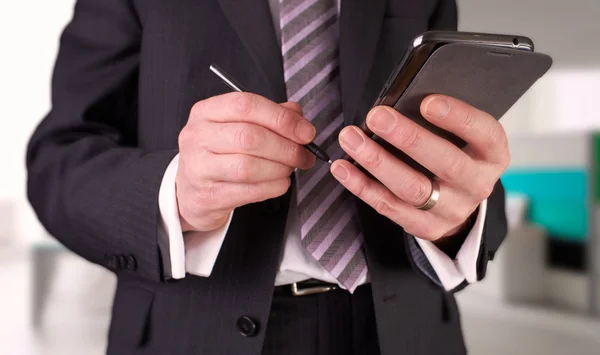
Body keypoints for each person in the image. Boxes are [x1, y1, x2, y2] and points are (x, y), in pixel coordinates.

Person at [26, 0, 508, 354]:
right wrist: (174, 193)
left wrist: (456, 214)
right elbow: (59, 161)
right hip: (193, 331)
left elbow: (455, 159)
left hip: (407, 331)